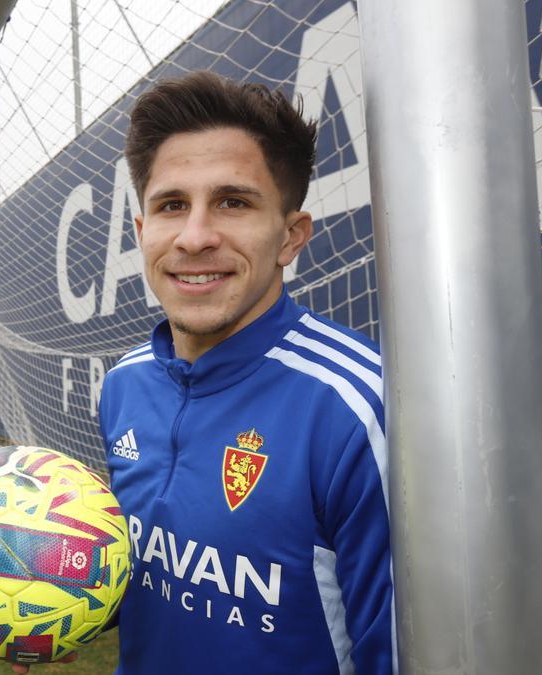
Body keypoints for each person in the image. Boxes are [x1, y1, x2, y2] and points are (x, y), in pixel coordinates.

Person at [95, 71, 393, 673]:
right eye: (171, 205)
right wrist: (38, 608)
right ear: (141, 232)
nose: (196, 237)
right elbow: (163, 589)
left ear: (290, 236)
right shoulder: (123, 385)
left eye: (233, 202)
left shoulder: (359, 408)